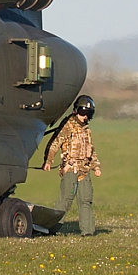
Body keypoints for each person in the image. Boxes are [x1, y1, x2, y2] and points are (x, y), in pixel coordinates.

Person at [43, 95, 101, 236]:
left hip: (84, 171)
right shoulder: (67, 125)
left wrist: (96, 167)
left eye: (88, 114)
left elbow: (91, 150)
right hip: (71, 169)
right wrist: (48, 161)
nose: (85, 117)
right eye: (82, 113)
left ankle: (88, 232)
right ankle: (51, 229)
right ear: (76, 111)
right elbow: (55, 143)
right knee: (65, 201)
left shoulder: (87, 131)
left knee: (86, 201)